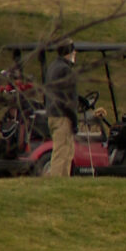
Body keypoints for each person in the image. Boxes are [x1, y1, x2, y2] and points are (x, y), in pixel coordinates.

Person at [44, 40, 79, 177]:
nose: (75, 53)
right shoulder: (66, 70)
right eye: (73, 51)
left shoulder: (52, 67)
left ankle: (64, 181)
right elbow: (68, 98)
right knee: (62, 152)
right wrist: (74, 121)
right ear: (69, 53)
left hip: (53, 114)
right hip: (63, 116)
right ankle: (57, 180)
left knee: (66, 151)